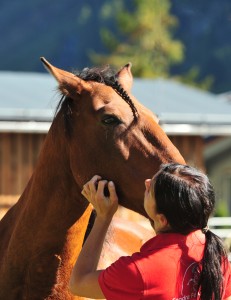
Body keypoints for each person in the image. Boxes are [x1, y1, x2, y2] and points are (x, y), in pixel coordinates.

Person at [69, 163, 231, 300]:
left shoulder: (139, 271)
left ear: (162, 220)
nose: (147, 182)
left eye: (151, 189)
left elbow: (79, 283)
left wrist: (103, 217)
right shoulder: (217, 257)